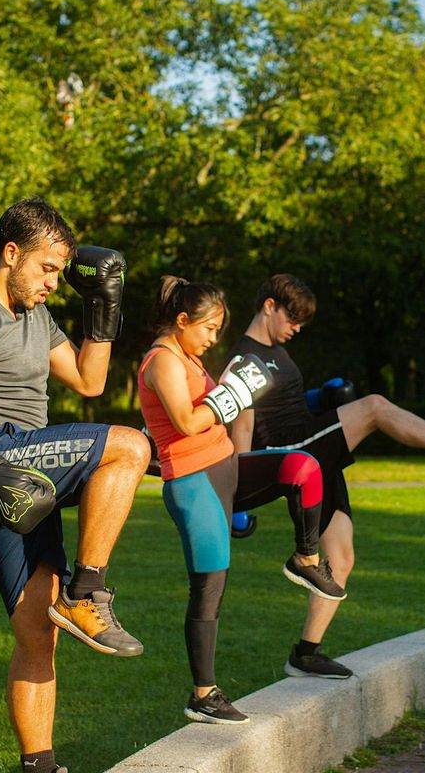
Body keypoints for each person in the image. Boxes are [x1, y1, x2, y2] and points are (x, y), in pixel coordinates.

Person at [0, 196, 150, 773]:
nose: (54, 281)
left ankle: (39, 765)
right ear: (11, 252)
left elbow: (89, 380)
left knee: (35, 630)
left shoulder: (35, 316)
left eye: (60, 272)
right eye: (47, 268)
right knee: (130, 446)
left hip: (29, 474)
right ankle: (87, 592)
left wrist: (104, 307)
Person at [226, 273, 425, 680]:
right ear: (269, 306)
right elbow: (243, 425)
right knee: (374, 407)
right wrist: (236, 495)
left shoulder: (277, 352)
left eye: (302, 321)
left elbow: (284, 405)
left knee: (341, 557)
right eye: (293, 317)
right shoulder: (242, 359)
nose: (297, 327)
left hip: (310, 446)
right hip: (290, 453)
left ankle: (305, 654)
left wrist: (321, 398)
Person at [138, 276, 345, 725]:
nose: (214, 338)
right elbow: (189, 422)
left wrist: (237, 394)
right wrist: (230, 394)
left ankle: (306, 560)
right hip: (195, 483)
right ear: (181, 321)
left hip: (227, 467)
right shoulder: (162, 361)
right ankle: (203, 694)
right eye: (209, 328)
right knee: (210, 590)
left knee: (303, 468)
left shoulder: (188, 357)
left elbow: (219, 414)